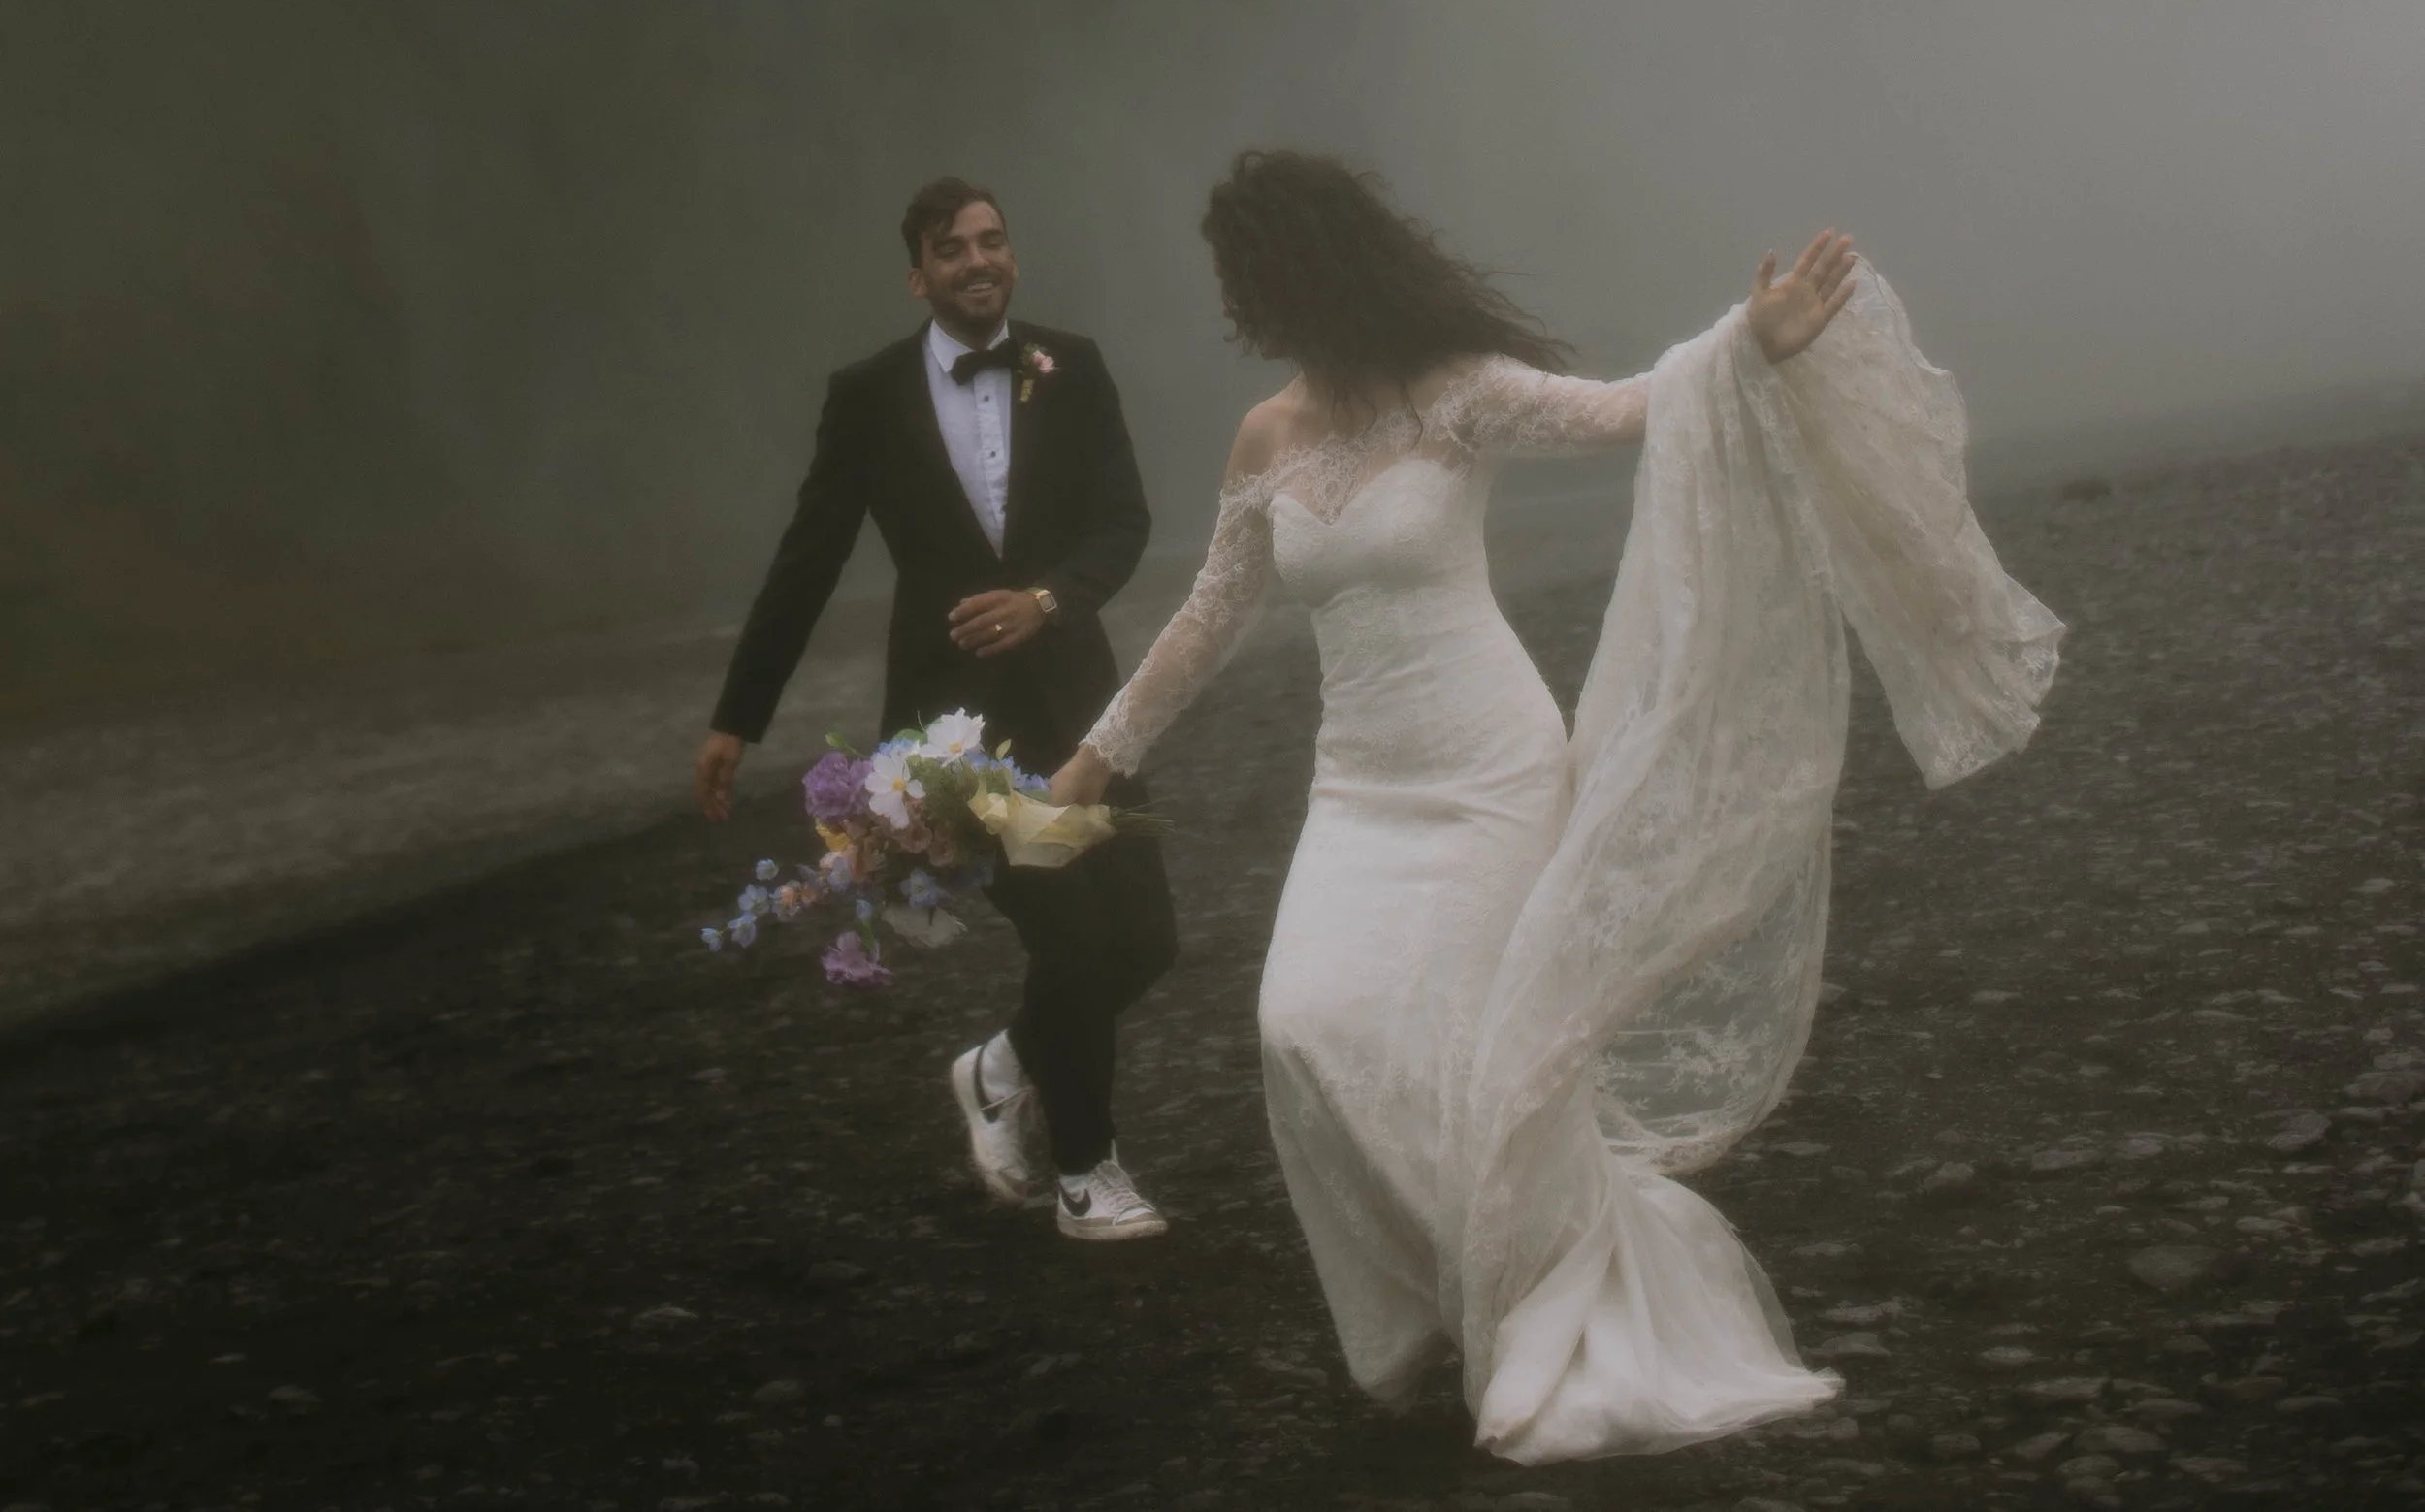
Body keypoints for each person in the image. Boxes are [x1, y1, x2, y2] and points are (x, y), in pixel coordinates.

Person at [1051, 151, 2061, 1457]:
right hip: (1359, 786)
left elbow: (1631, 411)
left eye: (1263, 278)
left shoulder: (1457, 393)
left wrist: (1746, 343)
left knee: (1485, 1056)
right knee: (1302, 1023)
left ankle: (1520, 1302)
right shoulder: (1268, 437)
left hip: (1489, 773)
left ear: (1318, 272)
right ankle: (1444, 1295)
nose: (1257, 307)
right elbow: (1206, 617)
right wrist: (1096, 753)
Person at [696, 178, 1176, 1242]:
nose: (978, 260)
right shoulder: (867, 395)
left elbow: (1124, 521)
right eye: (952, 248)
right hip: (956, 740)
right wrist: (741, 713)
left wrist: (1047, 600)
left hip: (1081, 707)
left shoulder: (1074, 365)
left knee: (1147, 938)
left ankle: (1000, 1068)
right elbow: (808, 557)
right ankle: (1087, 1176)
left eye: (993, 240)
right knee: (1072, 939)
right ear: (918, 276)